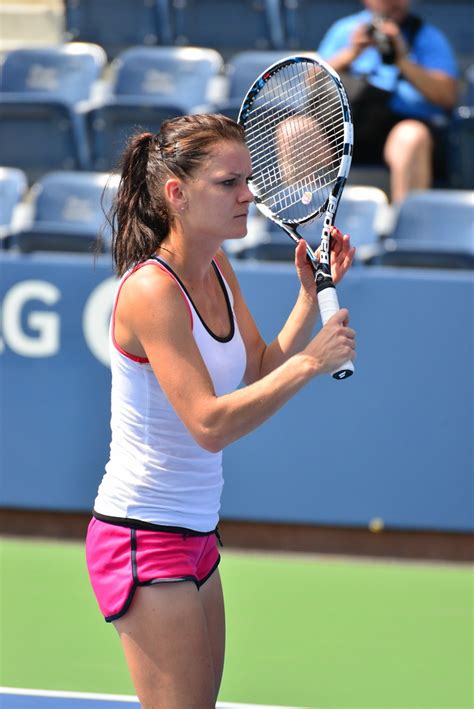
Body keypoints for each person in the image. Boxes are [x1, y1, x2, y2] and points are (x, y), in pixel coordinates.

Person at [85, 113, 356, 708]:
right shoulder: (152, 290)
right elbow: (210, 425)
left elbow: (257, 367)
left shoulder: (216, 266)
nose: (249, 194)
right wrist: (310, 363)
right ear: (177, 195)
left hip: (198, 536)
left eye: (249, 178)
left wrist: (308, 300)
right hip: (143, 534)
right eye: (229, 182)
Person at [317, 0, 459, 203]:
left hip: (397, 127)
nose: (393, 3)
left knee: (411, 137)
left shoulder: (427, 37)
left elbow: (447, 96)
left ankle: (407, 228)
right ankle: (308, 226)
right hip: (342, 128)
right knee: (295, 130)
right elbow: (308, 80)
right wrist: (351, 53)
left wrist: (401, 59)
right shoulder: (345, 30)